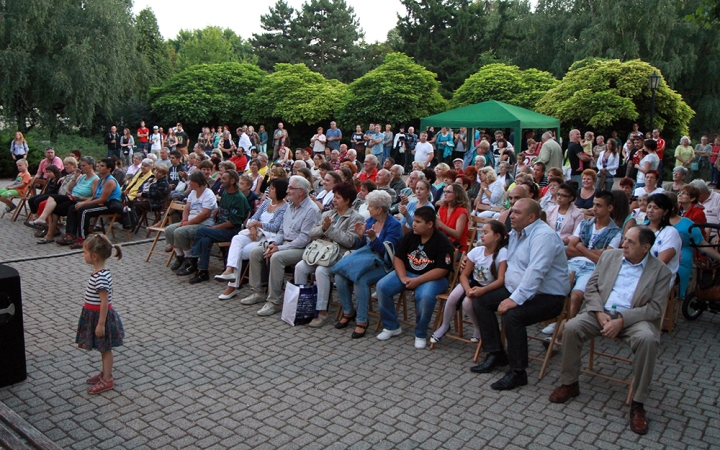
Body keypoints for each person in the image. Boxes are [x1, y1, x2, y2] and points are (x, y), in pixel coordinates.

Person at [549, 226, 672, 435]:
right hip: (601, 311)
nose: (624, 244)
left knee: (649, 340)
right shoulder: (609, 257)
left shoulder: (661, 271)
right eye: (624, 239)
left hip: (634, 318)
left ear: (646, 247)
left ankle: (638, 403)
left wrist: (622, 320)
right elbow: (592, 287)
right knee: (571, 327)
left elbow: (655, 308)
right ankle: (570, 383)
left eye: (631, 242)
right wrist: (597, 312)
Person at [470, 199, 569, 390]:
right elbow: (511, 263)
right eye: (511, 211)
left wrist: (514, 300)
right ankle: (497, 353)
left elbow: (535, 273)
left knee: (513, 315)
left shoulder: (543, 237)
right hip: (517, 288)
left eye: (516, 212)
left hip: (547, 295)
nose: (511, 216)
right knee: (481, 301)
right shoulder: (517, 232)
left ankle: (518, 372)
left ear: (531, 217)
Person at [546, 191, 622, 339]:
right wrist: (594, 252)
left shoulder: (615, 233)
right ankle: (556, 319)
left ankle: (562, 333)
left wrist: (581, 248)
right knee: (554, 285)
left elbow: (604, 260)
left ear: (610, 208)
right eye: (594, 204)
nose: (594, 208)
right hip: (573, 263)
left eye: (599, 205)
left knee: (577, 295)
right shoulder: (584, 224)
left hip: (593, 269)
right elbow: (570, 249)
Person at [241, 176, 322, 316]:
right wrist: (274, 243)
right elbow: (281, 231)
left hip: (301, 248)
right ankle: (258, 291)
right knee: (255, 252)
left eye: (291, 188)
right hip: (284, 243)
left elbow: (304, 238)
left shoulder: (311, 210)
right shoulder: (290, 206)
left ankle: (274, 301)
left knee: (276, 257)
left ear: (301, 192)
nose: (287, 191)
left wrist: (279, 248)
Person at [375, 206, 454, 348]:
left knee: (425, 296)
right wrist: (404, 277)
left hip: (433, 278)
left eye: (418, 222)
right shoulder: (411, 236)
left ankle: (421, 332)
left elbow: (442, 270)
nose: (413, 224)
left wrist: (417, 281)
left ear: (430, 224)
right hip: (408, 273)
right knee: (382, 286)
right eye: (414, 221)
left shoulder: (443, 242)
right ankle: (391, 326)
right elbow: (398, 258)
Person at [334, 190, 403, 338]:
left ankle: (362, 320)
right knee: (340, 276)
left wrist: (373, 240)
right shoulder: (371, 221)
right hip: (367, 260)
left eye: (370, 206)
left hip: (386, 265)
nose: (368, 209)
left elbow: (388, 254)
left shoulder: (394, 225)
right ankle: (348, 311)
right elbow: (362, 249)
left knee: (360, 280)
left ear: (379, 209)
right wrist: (360, 237)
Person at [295, 182, 364, 327]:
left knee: (321, 271)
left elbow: (350, 241)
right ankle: (302, 306)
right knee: (300, 266)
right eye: (334, 197)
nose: (334, 200)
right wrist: (323, 228)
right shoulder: (327, 213)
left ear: (347, 200)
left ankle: (322, 312)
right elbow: (311, 233)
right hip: (319, 253)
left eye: (338, 197)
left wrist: (330, 229)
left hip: (338, 256)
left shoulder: (355, 217)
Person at [431, 220, 508, 345]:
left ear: (497, 236)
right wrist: (467, 289)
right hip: (473, 283)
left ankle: (478, 328)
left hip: (490, 288)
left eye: (486, 232)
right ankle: (445, 325)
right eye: (481, 232)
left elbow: (501, 280)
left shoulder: (502, 254)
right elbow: (464, 275)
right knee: (453, 297)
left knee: (467, 303)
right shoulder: (477, 251)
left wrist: (482, 290)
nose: (481, 235)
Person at [215, 179, 289, 300]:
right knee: (237, 239)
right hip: (255, 233)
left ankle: (232, 285)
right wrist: (253, 226)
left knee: (243, 251)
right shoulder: (266, 203)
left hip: (268, 237)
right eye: (269, 187)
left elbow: (275, 227)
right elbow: (252, 218)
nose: (269, 190)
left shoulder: (285, 207)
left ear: (279, 191)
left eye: (272, 188)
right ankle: (229, 271)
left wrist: (257, 224)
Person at [75, 234, 125, 395]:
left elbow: (104, 301)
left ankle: (108, 379)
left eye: (85, 252)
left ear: (94, 256)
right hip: (94, 314)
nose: (84, 255)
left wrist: (101, 323)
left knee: (105, 348)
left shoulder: (100, 278)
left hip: (99, 316)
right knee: (102, 347)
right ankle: (104, 372)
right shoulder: (101, 273)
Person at [180, 171, 250, 284]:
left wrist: (215, 227)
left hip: (231, 231)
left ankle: (192, 260)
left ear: (232, 181)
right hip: (220, 228)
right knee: (205, 239)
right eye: (221, 178)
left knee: (201, 230)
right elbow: (223, 208)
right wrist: (218, 210)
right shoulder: (226, 193)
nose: (221, 180)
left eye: (224, 178)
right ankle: (202, 272)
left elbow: (233, 222)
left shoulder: (239, 198)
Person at [56, 158, 124, 249]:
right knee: (73, 207)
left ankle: (83, 239)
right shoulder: (100, 180)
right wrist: (83, 201)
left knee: (84, 211)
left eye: (102, 166)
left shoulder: (110, 181)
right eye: (99, 166)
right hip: (101, 203)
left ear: (109, 169)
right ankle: (70, 235)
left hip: (109, 205)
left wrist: (84, 204)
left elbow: (102, 200)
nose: (99, 168)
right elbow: (94, 196)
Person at [166, 171, 218, 272]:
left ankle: (189, 260)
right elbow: (186, 208)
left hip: (204, 224)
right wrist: (184, 220)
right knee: (169, 230)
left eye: (191, 182)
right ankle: (180, 256)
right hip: (189, 222)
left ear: (198, 182)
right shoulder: (193, 193)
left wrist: (187, 224)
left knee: (180, 232)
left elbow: (205, 214)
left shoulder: (208, 194)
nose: (189, 184)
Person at [437, 183, 470, 253]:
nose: (445, 194)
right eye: (445, 191)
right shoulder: (443, 208)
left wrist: (440, 224)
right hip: (442, 244)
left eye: (448, 192)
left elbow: (457, 234)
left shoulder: (462, 211)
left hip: (457, 248)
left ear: (457, 194)